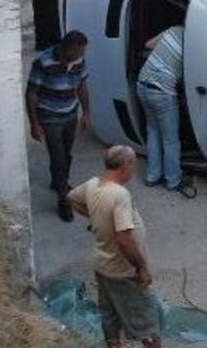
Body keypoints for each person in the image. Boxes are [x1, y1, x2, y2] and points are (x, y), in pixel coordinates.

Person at [68, 146, 161, 348]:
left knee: (110, 316)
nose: (134, 169)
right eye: (133, 164)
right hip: (123, 271)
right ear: (125, 165)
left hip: (102, 266)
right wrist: (141, 267)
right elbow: (123, 239)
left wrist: (97, 218)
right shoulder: (119, 195)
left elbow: (72, 198)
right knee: (147, 324)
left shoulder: (93, 184)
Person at [26, 30, 90, 222]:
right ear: (68, 48)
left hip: (70, 114)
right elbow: (31, 93)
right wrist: (34, 123)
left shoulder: (78, 62)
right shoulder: (43, 62)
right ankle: (64, 200)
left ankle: (58, 182)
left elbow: (81, 86)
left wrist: (86, 112)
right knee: (59, 158)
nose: (82, 55)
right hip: (50, 117)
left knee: (66, 154)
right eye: (79, 51)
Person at [135, 26, 195, 197]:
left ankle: (152, 176)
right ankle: (173, 180)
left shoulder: (173, 30)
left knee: (153, 131)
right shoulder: (193, 44)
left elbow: (148, 44)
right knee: (170, 140)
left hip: (142, 84)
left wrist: (165, 52)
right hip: (162, 92)